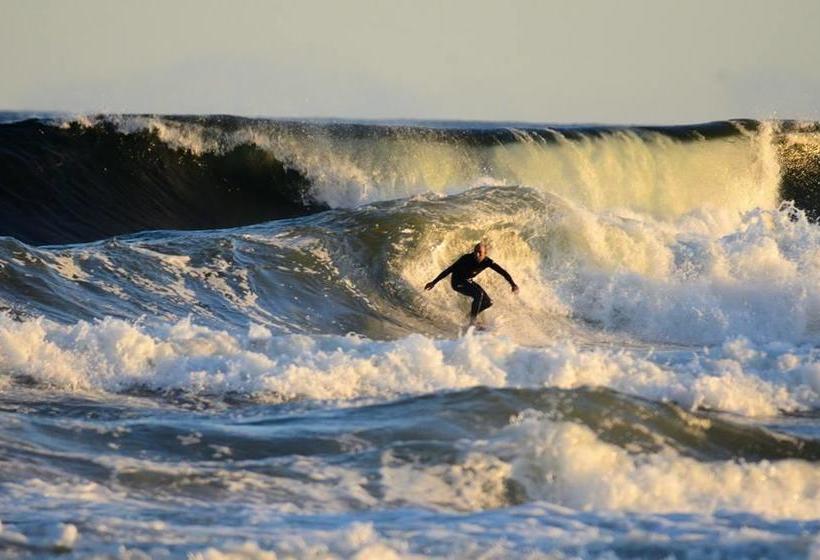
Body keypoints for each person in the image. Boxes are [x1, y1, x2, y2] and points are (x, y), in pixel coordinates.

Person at [425, 242, 518, 326]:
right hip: (457, 282)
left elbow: (503, 272)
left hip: (468, 280)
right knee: (479, 295)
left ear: (485, 254)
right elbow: (449, 269)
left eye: (479, 253)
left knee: (488, 302)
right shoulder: (466, 258)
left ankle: (469, 317)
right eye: (475, 252)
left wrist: (513, 284)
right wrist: (434, 282)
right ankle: (472, 323)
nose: (477, 255)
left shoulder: (487, 262)